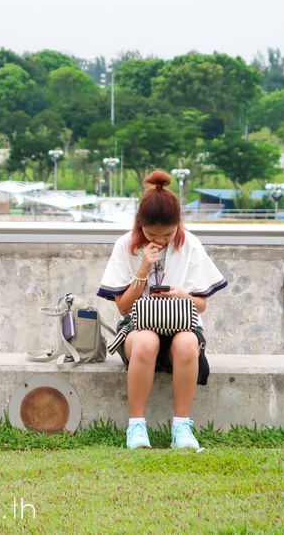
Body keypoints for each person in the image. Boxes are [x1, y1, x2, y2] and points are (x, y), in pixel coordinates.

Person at [97, 169, 228, 451]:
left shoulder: (190, 244)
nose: (160, 240)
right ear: (139, 224)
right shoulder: (125, 245)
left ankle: (182, 426)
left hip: (181, 325)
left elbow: (202, 305)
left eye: (168, 233)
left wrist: (182, 296)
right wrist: (142, 270)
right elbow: (123, 308)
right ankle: (136, 426)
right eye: (151, 234)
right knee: (147, 340)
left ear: (178, 224)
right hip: (138, 330)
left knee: (187, 342)